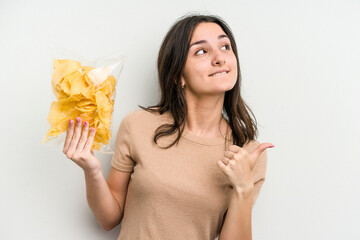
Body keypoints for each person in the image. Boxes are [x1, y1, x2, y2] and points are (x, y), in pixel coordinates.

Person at [63, 13, 274, 240]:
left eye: (225, 46)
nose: (220, 58)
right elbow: (108, 219)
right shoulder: (138, 125)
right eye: (201, 51)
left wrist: (243, 188)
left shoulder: (250, 154)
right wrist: (91, 170)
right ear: (177, 75)